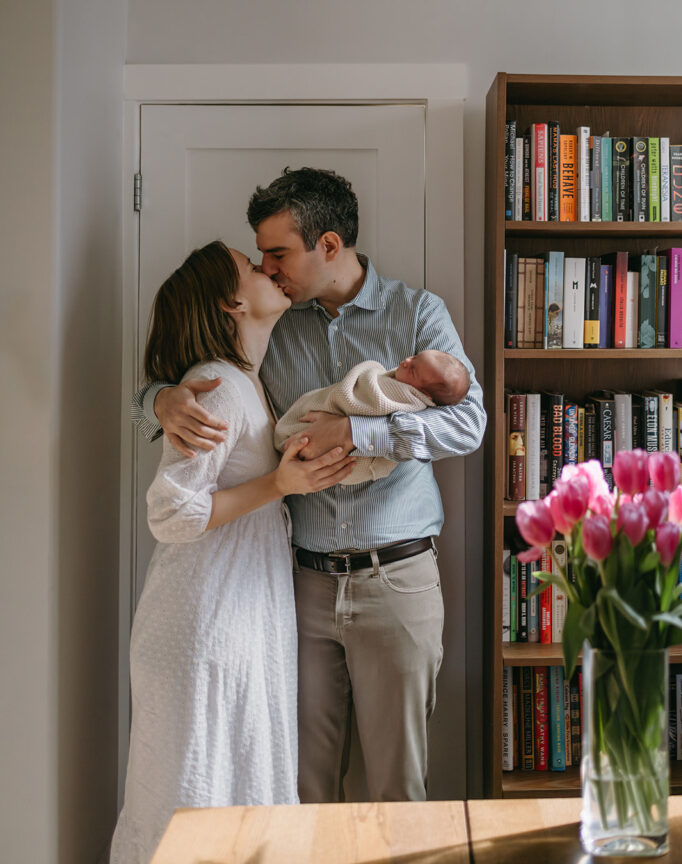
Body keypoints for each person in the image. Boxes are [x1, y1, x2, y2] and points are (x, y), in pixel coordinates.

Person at [132, 166, 486, 803]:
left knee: (397, 789)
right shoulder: (274, 326)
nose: (269, 270)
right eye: (261, 257)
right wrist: (158, 399)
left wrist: (358, 436)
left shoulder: (417, 314)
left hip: (398, 578)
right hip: (299, 585)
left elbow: (469, 421)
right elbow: (202, 370)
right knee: (298, 786)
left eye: (278, 253)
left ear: (328, 245)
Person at [113, 241, 353, 864]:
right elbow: (171, 512)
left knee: (231, 794)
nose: (267, 267)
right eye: (252, 264)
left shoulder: (245, 380)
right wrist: (278, 484)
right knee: (197, 799)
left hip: (239, 613)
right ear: (232, 300)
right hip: (205, 623)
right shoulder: (213, 388)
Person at [273, 350, 471, 485]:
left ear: (425, 395)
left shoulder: (404, 398)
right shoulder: (415, 378)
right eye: (414, 356)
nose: (406, 361)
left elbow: (467, 429)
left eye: (413, 370)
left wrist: (350, 430)